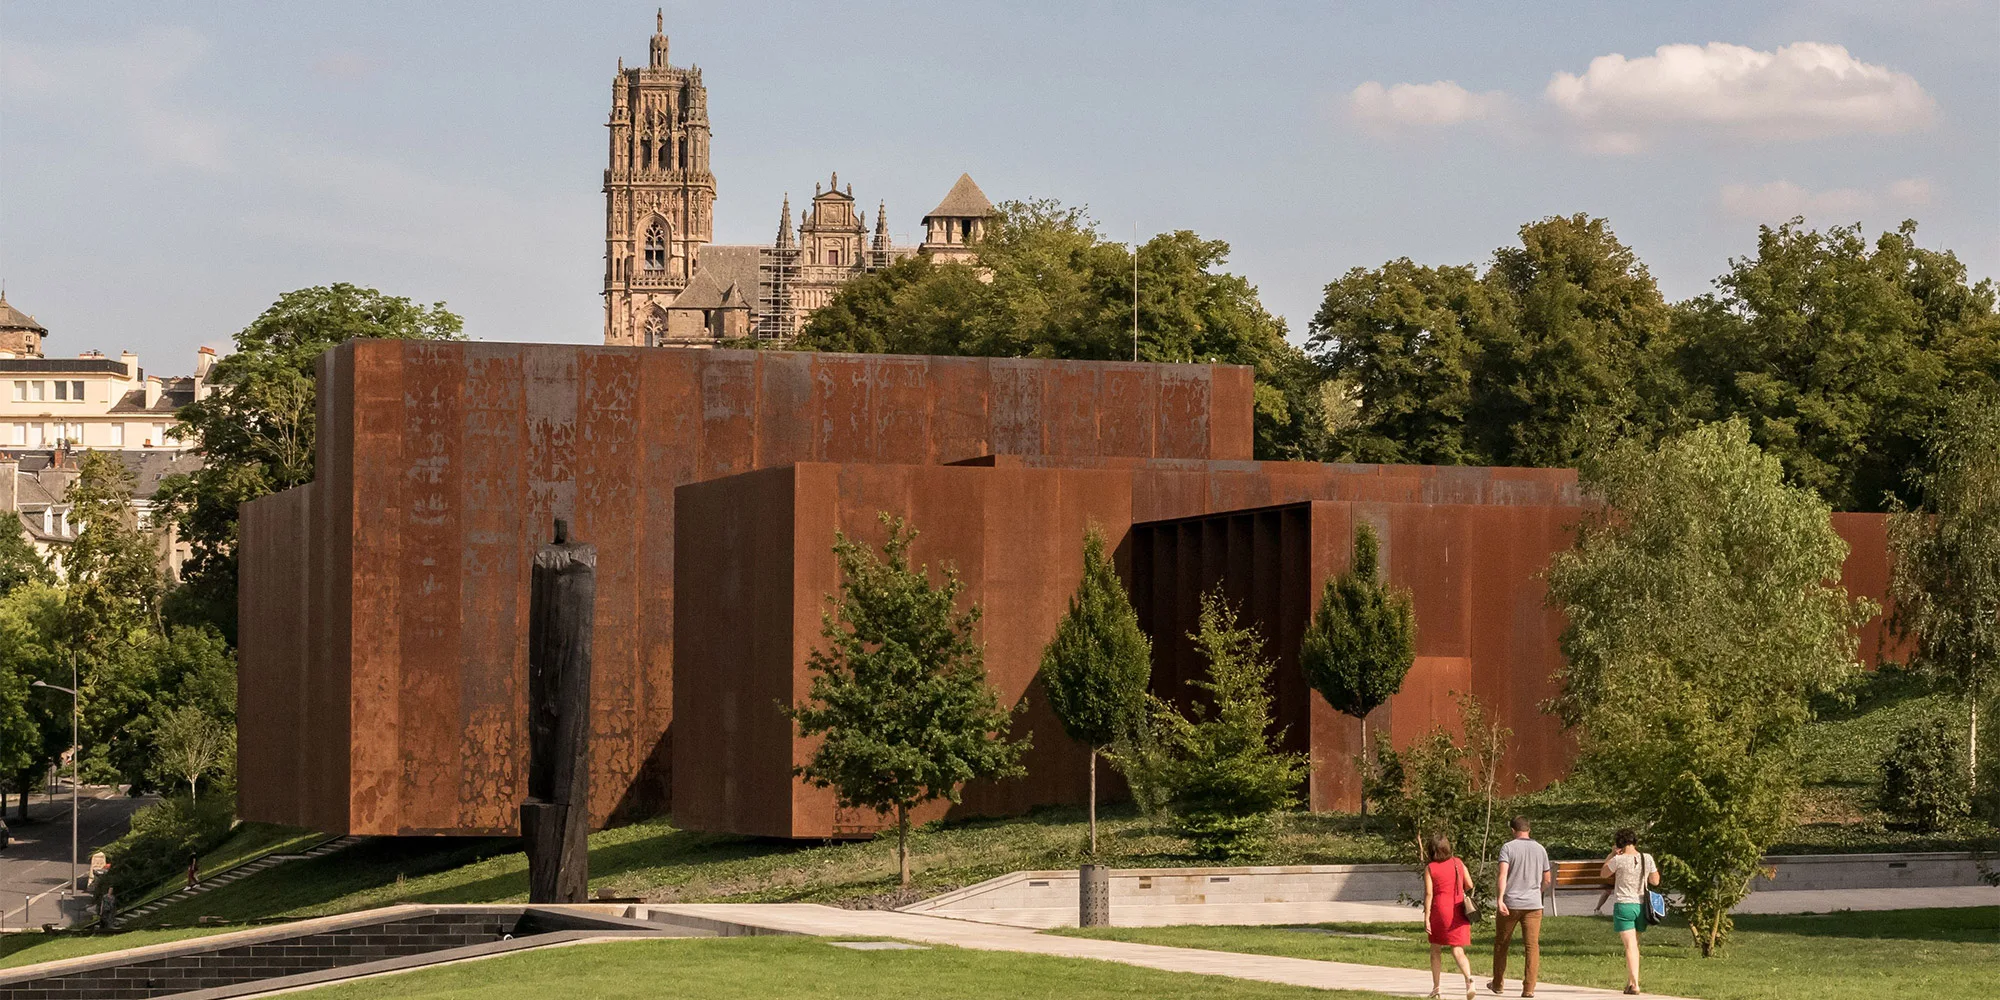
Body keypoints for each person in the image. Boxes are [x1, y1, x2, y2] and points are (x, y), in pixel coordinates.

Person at [1489, 815, 1550, 997]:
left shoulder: (1508, 848)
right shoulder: (1540, 849)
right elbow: (1547, 879)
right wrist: (1536, 892)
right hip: (1533, 904)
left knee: (1502, 943)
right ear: (1529, 829)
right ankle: (1529, 988)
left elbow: (1502, 875)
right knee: (1532, 946)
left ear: (1513, 830)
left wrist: (1500, 899)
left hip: (1511, 903)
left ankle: (1498, 983)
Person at [1596, 828, 1659, 996]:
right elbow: (1655, 880)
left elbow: (1603, 874)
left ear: (1619, 844)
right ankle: (1630, 982)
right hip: (1641, 905)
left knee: (1630, 945)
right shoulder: (1647, 858)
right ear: (1635, 841)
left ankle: (1635, 984)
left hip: (1624, 904)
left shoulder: (1619, 860)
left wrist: (1611, 855)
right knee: (1634, 945)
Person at [1423, 832, 1477, 1000]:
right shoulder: (1458, 863)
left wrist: (1426, 916)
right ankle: (1469, 980)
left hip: (1440, 910)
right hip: (1458, 910)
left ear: (1431, 850)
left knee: (1435, 950)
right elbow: (1469, 884)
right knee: (1458, 950)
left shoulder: (1430, 868)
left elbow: (1429, 894)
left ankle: (1437, 988)